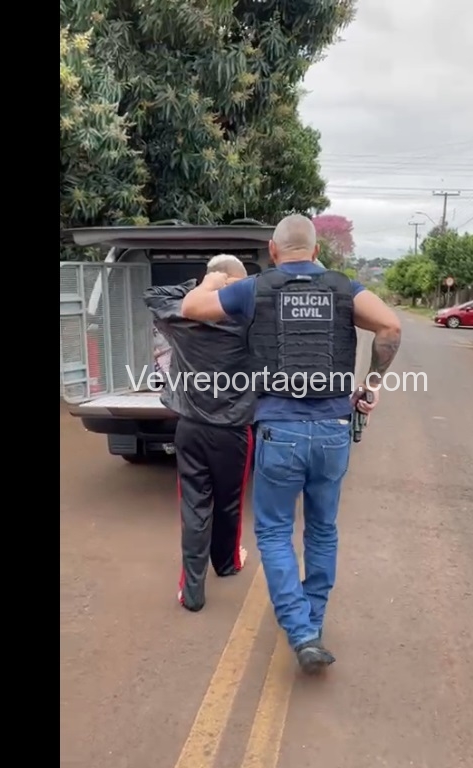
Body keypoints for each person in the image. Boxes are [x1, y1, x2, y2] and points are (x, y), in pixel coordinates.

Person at [180, 215, 402, 673]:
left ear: (273, 250)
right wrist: (371, 385)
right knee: (322, 529)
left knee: (275, 532)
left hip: (279, 430)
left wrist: (213, 279)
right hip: (333, 429)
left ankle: (301, 632)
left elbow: (191, 308)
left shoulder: (255, 289)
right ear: (317, 251)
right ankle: (312, 626)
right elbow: (390, 327)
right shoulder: (344, 289)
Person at [144, 255, 256, 612]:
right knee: (228, 504)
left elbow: (153, 295)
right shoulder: (250, 317)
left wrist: (206, 285)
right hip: (233, 432)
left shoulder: (183, 314)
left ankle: (192, 592)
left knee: (194, 507)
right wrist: (229, 286)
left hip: (190, 428)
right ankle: (227, 563)